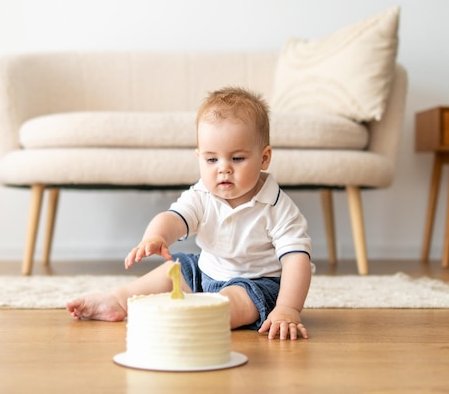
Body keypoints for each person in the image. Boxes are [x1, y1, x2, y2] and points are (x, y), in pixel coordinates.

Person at [66, 86, 313, 340]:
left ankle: (201, 317)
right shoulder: (202, 195)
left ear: (264, 158)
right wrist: (156, 237)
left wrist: (287, 309)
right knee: (174, 268)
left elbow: (296, 261)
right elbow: (174, 218)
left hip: (256, 284)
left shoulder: (277, 207)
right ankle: (119, 300)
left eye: (237, 159)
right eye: (211, 160)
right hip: (207, 273)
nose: (223, 169)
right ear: (199, 158)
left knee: (233, 299)